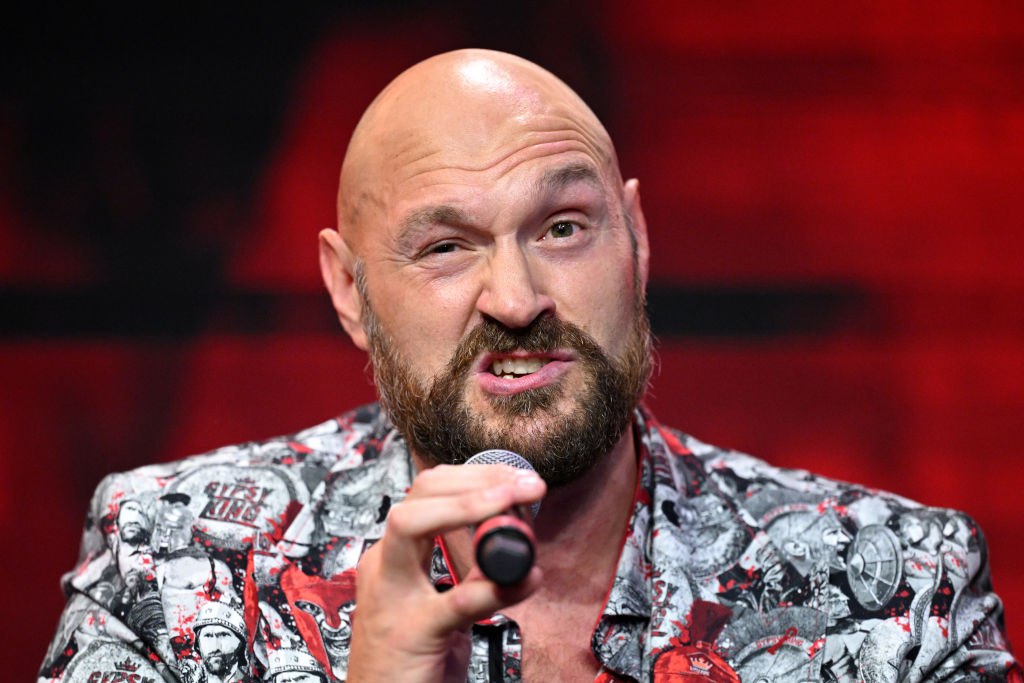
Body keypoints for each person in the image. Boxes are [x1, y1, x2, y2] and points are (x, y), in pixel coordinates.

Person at [39, 48, 1018, 682]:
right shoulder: (174, 561)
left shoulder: (901, 589)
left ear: (635, 239)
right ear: (348, 290)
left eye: (562, 227)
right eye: (444, 246)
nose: (515, 298)